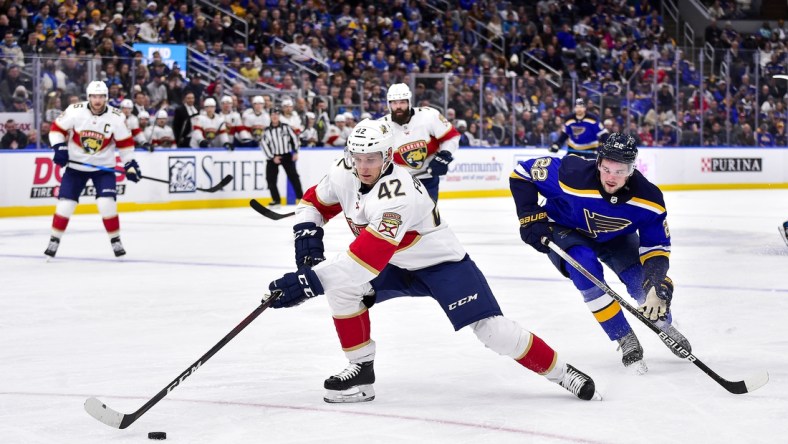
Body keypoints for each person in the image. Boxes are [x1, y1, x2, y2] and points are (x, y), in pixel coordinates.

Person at [266, 119, 600, 404]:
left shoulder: (399, 193)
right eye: (358, 158)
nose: (364, 166)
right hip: (396, 262)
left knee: (492, 331)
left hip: (442, 265)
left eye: (373, 159)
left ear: (388, 157)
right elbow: (313, 202)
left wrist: (307, 282)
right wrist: (307, 237)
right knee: (343, 291)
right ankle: (361, 374)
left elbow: (365, 260)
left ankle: (561, 372)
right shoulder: (344, 171)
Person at [510, 132, 691, 374]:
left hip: (614, 235)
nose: (611, 177)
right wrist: (530, 217)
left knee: (641, 282)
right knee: (585, 269)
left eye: (620, 171)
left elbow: (656, 248)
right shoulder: (570, 173)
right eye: (606, 169)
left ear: (632, 169)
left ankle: (664, 326)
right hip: (566, 229)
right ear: (598, 163)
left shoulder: (649, 200)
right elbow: (522, 173)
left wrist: (656, 283)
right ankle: (623, 336)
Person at [45, 80, 140, 258]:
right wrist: (59, 147)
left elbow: (125, 144)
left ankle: (115, 240)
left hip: (104, 168)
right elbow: (56, 130)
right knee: (66, 204)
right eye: (94, 96)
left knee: (106, 204)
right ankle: (54, 240)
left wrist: (130, 164)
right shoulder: (75, 110)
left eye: (101, 96)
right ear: (88, 97)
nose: (97, 100)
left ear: (106, 97)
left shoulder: (117, 116)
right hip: (76, 167)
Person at [380, 83, 460, 201]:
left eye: (402, 102)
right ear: (389, 104)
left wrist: (444, 155)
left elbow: (451, 137)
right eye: (394, 103)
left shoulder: (428, 115)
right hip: (397, 183)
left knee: (427, 217)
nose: (398, 106)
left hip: (428, 180)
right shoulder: (381, 126)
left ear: (409, 102)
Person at [260, 107, 303, 207]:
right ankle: (276, 200)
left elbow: (294, 139)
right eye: (273, 115)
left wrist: (296, 151)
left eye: (276, 114)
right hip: (273, 157)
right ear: (270, 116)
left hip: (286, 155)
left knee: (294, 177)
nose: (274, 116)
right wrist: (272, 157)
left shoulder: (286, 127)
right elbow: (264, 145)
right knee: (270, 179)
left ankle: (300, 198)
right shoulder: (266, 131)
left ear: (279, 116)